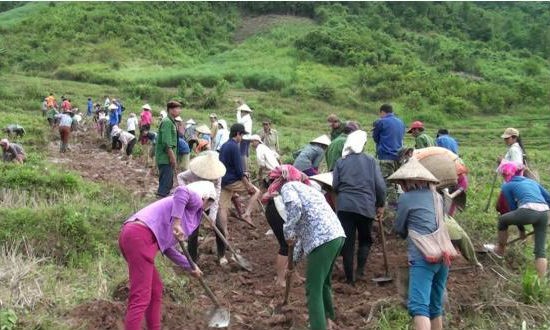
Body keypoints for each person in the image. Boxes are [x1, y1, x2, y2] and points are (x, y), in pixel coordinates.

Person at [119, 181, 215, 330]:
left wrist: (190, 266)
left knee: (155, 289)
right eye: (210, 202)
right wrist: (176, 223)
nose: (208, 207)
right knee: (140, 297)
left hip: (135, 236)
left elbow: (167, 247)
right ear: (206, 198)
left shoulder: (187, 212)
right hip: (139, 237)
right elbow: (182, 190)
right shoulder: (194, 201)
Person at [389, 158, 450, 330]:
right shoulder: (438, 197)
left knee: (419, 307)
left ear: (408, 181)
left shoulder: (406, 199)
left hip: (424, 256)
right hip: (443, 254)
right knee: (435, 307)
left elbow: (400, 229)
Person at [281, 180, 345, 330]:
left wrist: (288, 231)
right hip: (337, 236)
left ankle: (318, 326)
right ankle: (329, 319)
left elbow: (295, 206)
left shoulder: (287, 186)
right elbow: (303, 239)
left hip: (322, 240)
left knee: (313, 288)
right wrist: (292, 265)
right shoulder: (310, 191)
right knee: (324, 283)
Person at [332, 130, 386, 284]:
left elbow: (335, 185)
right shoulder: (370, 161)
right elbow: (380, 186)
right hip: (365, 206)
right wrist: (380, 204)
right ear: (363, 144)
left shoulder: (341, 161)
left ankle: (350, 279)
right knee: (365, 239)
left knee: (347, 242)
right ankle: (360, 271)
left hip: (345, 207)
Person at [489, 161, 549, 279]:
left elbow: (513, 208)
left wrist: (521, 231)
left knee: (502, 220)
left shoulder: (507, 186)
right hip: (544, 213)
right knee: (540, 251)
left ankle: (500, 249)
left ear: (506, 175)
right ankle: (540, 282)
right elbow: (548, 198)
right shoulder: (531, 181)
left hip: (528, 211)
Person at [261, 165, 310, 287]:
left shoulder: (286, 183)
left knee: (292, 245)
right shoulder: (287, 185)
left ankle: (293, 274)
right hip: (276, 211)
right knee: (285, 244)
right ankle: (280, 279)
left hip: (280, 210)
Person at [177, 151, 226, 263]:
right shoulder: (195, 173)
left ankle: (221, 255)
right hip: (194, 202)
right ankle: (192, 260)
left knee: (219, 226)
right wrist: (186, 192)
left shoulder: (217, 176)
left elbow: (217, 195)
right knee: (193, 230)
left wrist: (212, 216)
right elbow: (180, 176)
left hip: (210, 201)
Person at [219, 123, 261, 232]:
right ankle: (247, 214)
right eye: (241, 135)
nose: (241, 138)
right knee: (256, 191)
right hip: (232, 180)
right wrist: (248, 185)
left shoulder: (224, 146)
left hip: (223, 180)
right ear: (237, 134)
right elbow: (239, 170)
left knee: (223, 207)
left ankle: (224, 232)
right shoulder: (234, 147)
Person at [372, 104, 406, 209]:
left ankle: (392, 206)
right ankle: (400, 202)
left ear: (382, 112)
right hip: (399, 157)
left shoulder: (381, 122)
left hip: (386, 156)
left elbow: (376, 138)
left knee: (387, 183)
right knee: (397, 181)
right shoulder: (401, 122)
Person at [155, 100, 181, 198]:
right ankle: (159, 205)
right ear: (171, 110)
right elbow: (167, 143)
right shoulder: (167, 122)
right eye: (177, 108)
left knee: (168, 183)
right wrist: (172, 158)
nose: (179, 111)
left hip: (168, 158)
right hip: (165, 158)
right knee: (165, 185)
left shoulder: (171, 122)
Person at [236, 103, 253, 171]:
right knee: (246, 153)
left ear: (244, 111)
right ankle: (248, 168)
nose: (241, 113)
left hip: (245, 137)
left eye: (241, 112)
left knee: (243, 154)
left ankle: (245, 169)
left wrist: (237, 113)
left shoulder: (246, 117)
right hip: (248, 137)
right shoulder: (248, 117)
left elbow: (239, 122)